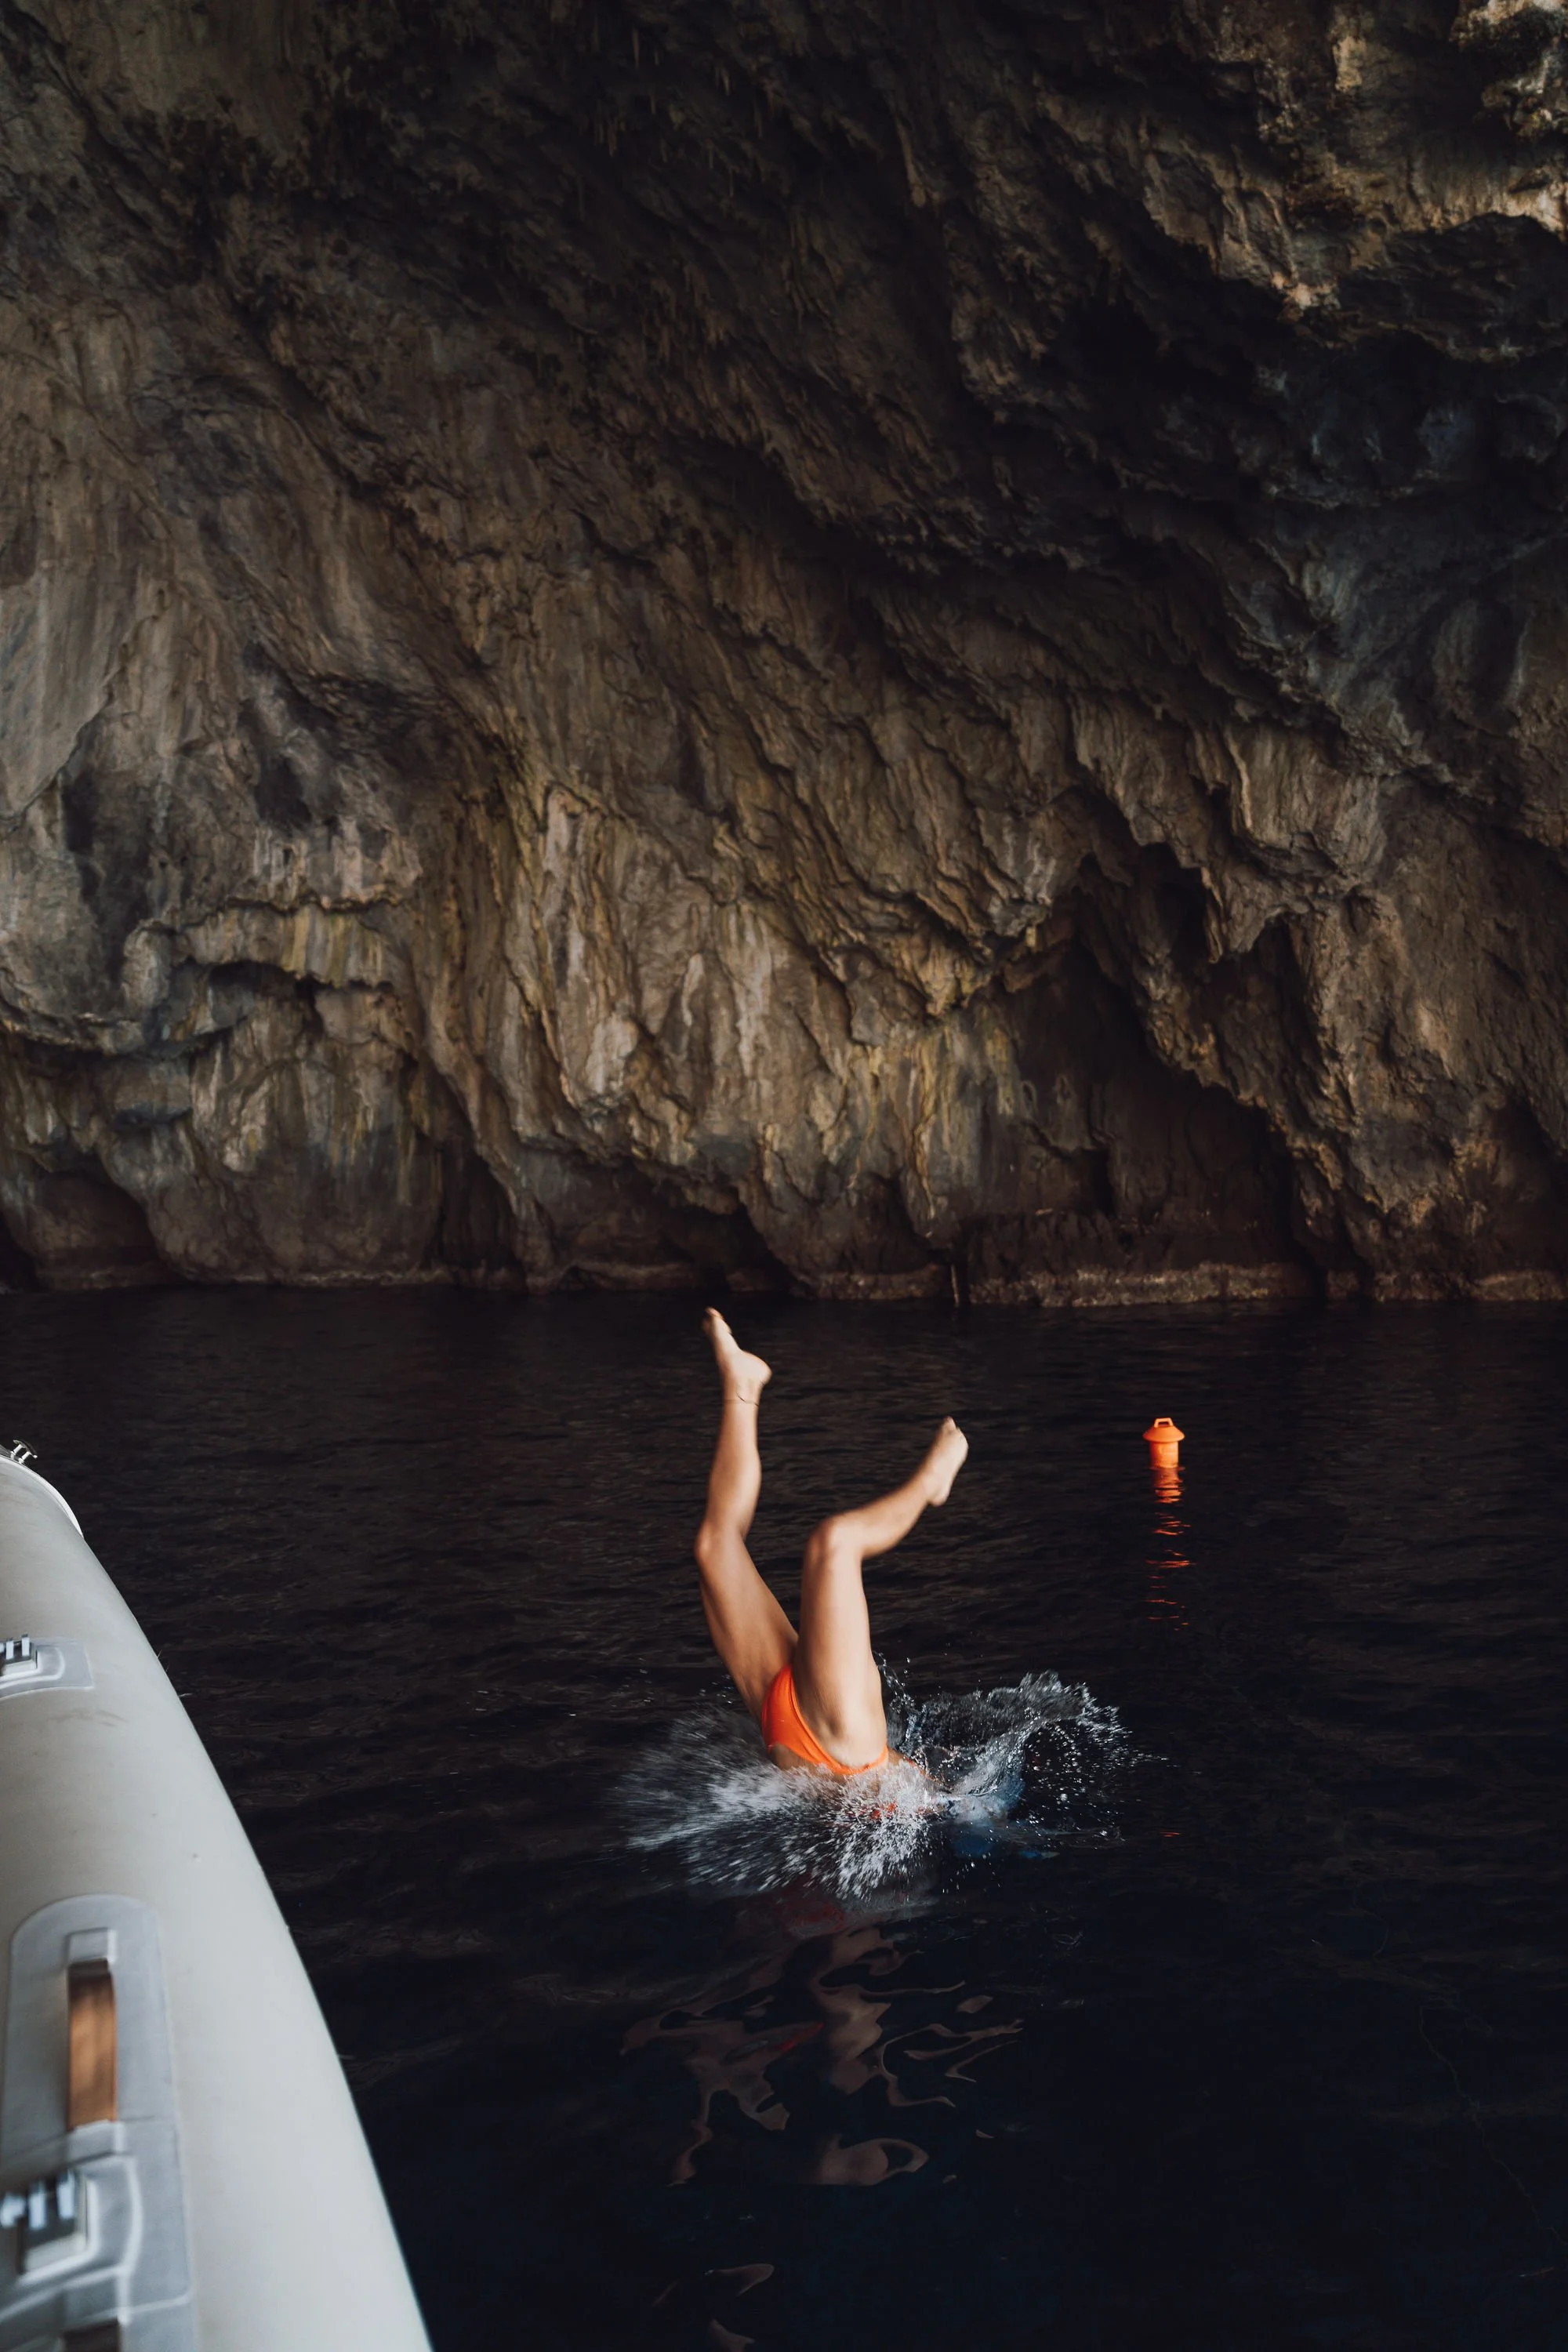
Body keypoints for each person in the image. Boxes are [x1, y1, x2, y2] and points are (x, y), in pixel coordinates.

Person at [695, 1309, 969, 1777]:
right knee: (835, 1543)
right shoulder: (914, 1806)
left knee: (715, 1546)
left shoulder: (903, 1814)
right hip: (840, 1738)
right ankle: (930, 1485)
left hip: (784, 1719)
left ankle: (742, 1385)